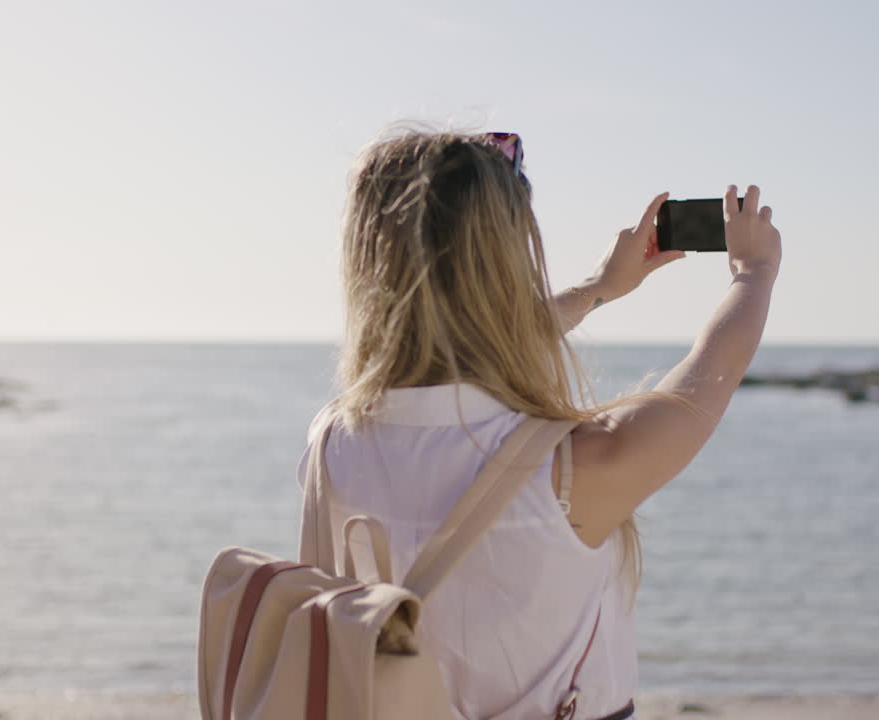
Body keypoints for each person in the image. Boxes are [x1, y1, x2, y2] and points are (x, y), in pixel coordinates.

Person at [295, 129, 781, 720]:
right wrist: (754, 273)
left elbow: (458, 355)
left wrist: (598, 290)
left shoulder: (332, 442)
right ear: (510, 258)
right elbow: (713, 372)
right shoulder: (572, 471)